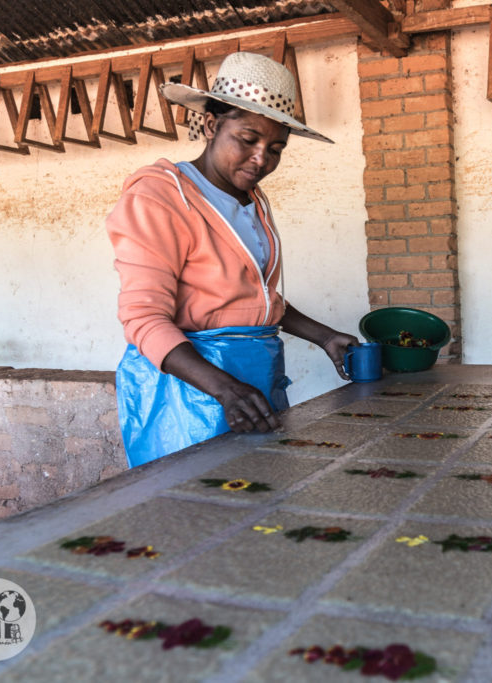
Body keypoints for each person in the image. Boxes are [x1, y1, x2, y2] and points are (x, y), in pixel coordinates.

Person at [106, 51, 358, 468]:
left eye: (276, 148)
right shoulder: (160, 197)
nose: (262, 159)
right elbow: (143, 319)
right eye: (248, 139)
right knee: (196, 504)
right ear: (210, 124)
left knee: (258, 495)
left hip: (252, 380)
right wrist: (224, 389)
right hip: (188, 390)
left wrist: (325, 337)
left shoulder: (252, 201)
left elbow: (254, 298)